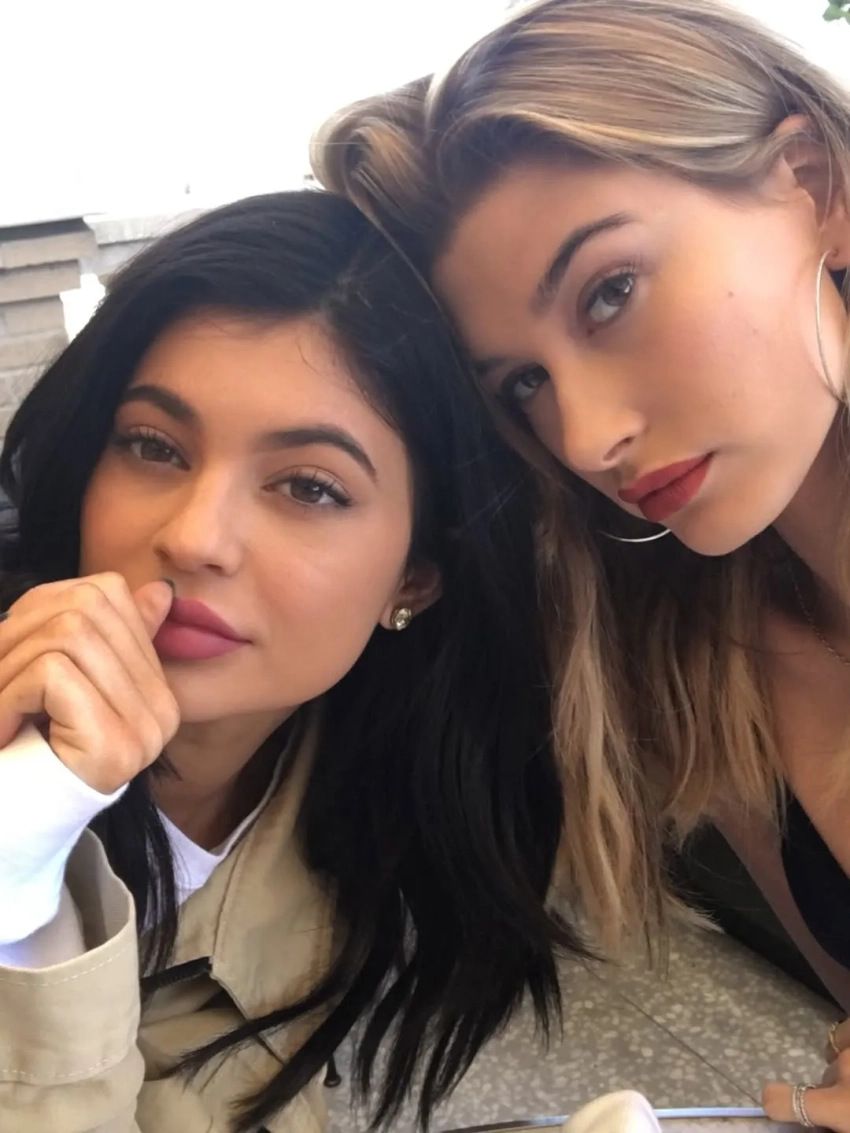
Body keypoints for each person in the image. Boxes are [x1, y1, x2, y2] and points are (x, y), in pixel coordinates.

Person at [312, 0, 850, 1125]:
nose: (585, 437)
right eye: (523, 383)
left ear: (812, 187)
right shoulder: (708, 668)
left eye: (610, 292)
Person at [0, 189, 576, 1133]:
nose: (195, 537)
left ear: (415, 578)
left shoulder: (369, 817)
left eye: (308, 486)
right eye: (153, 446)